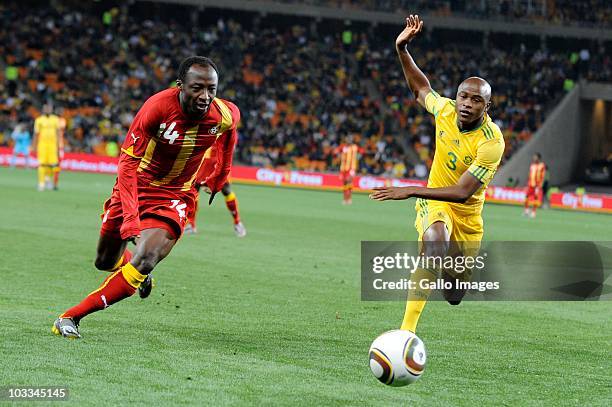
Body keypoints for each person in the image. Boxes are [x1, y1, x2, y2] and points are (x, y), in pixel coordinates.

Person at [52, 56, 240, 339]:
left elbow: (230, 133)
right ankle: (134, 267)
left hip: (176, 194)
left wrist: (221, 173)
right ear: (181, 86)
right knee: (104, 261)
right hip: (135, 187)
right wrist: (130, 219)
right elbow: (127, 165)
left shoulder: (223, 113)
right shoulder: (157, 109)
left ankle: (71, 317)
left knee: (147, 257)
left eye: (211, 89)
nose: (205, 96)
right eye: (197, 88)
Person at [370, 15, 505, 333]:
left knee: (454, 294)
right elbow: (421, 90)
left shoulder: (491, 142)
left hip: (467, 216)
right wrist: (402, 49)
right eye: (464, 96)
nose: (467, 104)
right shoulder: (444, 110)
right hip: (436, 205)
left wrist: (411, 189)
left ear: (487, 105)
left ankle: (445, 267)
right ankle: (406, 332)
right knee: (434, 242)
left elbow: (461, 193)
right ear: (456, 97)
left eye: (477, 100)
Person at [186, 143, 246, 237]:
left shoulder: (225, 131)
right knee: (194, 191)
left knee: (226, 190)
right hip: (202, 162)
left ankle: (237, 222)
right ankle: (191, 225)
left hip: (216, 161)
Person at [32, 104, 62, 190]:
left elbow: (58, 132)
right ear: (43, 109)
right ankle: (41, 183)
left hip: (53, 145)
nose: (48, 110)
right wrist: (33, 145)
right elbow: (36, 134)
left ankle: (48, 179)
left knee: (53, 165)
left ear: (52, 109)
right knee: (42, 164)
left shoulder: (56, 119)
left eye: (49, 108)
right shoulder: (39, 120)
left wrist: (59, 144)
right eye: (46, 108)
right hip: (42, 145)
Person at [335, 137, 362, 205]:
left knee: (349, 182)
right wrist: (338, 155)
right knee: (344, 184)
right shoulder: (343, 147)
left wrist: (357, 158)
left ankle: (349, 199)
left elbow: (362, 151)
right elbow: (336, 151)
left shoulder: (355, 147)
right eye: (347, 140)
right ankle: (345, 199)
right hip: (343, 169)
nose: (348, 142)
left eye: (349, 140)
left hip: (351, 168)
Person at [524, 153, 546, 217]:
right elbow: (530, 174)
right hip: (530, 184)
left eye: (535, 157)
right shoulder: (532, 165)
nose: (534, 158)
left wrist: (540, 184)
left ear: (539, 158)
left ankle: (533, 212)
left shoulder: (542, 165)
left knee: (535, 198)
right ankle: (526, 211)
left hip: (537, 185)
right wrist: (528, 182)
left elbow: (543, 175)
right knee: (526, 196)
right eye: (533, 157)